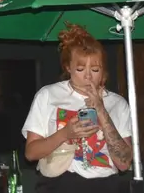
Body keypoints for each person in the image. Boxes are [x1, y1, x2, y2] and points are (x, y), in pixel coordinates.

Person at [21, 23, 132, 193]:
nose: (88, 75)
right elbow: (31, 153)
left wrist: (101, 111)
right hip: (59, 184)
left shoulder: (118, 103)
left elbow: (124, 163)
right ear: (68, 68)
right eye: (80, 69)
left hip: (106, 185)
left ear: (103, 71)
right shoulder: (48, 95)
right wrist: (65, 134)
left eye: (95, 69)